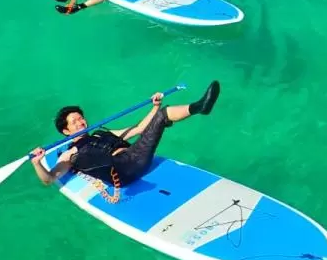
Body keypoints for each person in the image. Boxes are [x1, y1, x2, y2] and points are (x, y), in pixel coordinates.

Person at [30, 81, 221, 193]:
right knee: (80, 153)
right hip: (120, 173)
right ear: (66, 131)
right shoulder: (70, 155)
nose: (81, 122)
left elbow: (139, 129)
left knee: (163, 114)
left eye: (81, 118)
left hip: (136, 157)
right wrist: (37, 163)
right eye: (75, 122)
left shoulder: (101, 132)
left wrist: (154, 107)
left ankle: (200, 107)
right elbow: (48, 179)